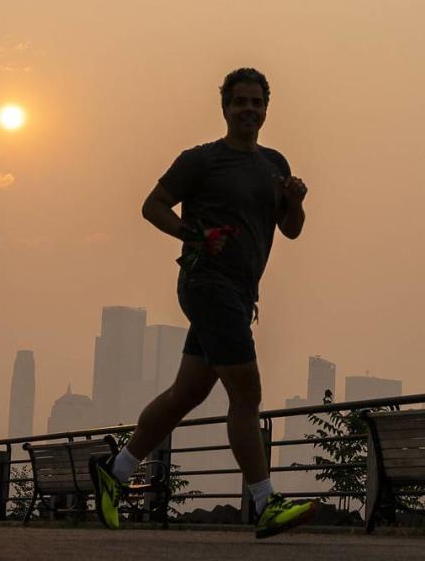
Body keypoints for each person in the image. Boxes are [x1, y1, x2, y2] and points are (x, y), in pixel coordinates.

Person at [89, 67, 314, 539]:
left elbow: (290, 230)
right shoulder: (202, 161)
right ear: (225, 108)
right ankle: (265, 502)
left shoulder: (275, 163)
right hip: (207, 285)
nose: (249, 110)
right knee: (246, 394)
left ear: (267, 109)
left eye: (257, 102)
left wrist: (293, 201)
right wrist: (193, 233)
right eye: (240, 102)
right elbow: (152, 206)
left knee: (187, 394)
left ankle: (116, 471)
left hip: (239, 292)